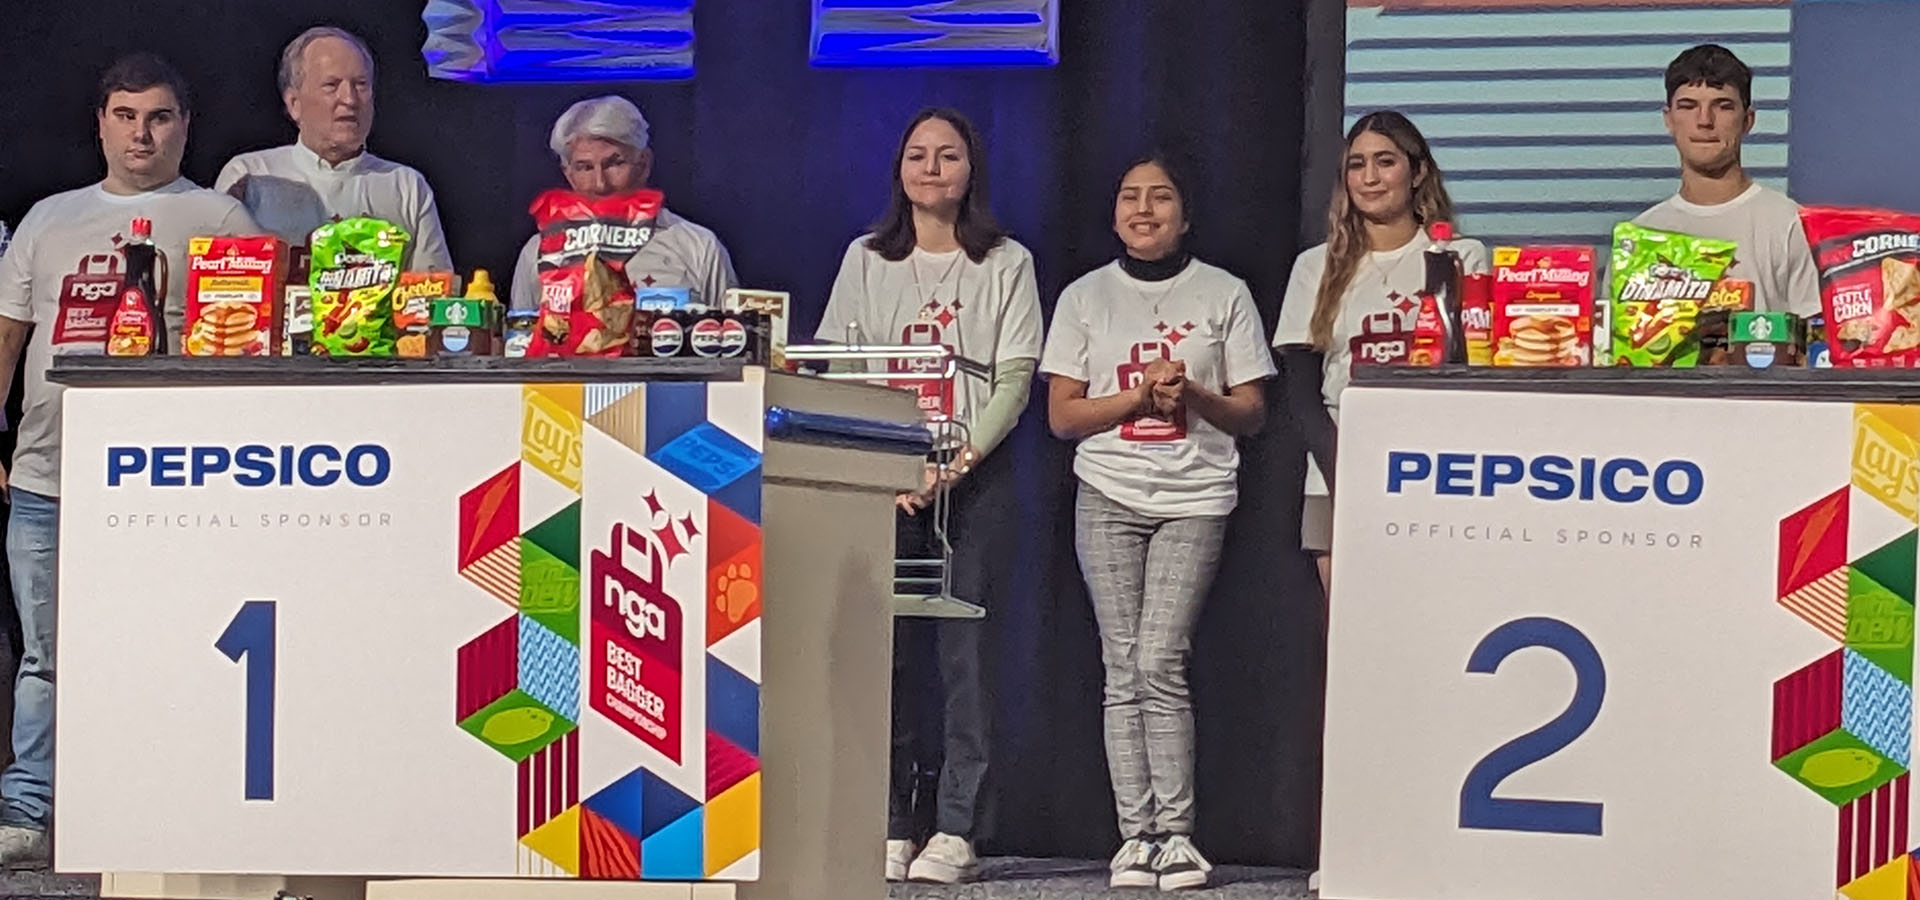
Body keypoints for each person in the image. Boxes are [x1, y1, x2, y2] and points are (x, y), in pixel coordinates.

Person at [0, 53, 259, 867]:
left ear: (185, 126)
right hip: (49, 477)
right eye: (125, 115)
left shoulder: (221, 220)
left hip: (169, 478)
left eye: (158, 117)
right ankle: (30, 809)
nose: (141, 133)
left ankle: (161, 794)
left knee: (169, 639)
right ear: (100, 123)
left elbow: (252, 347)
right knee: (46, 652)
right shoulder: (48, 218)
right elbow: (8, 337)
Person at [815, 107, 1042, 885]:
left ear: (971, 169)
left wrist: (955, 465)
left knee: (964, 656)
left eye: (948, 155)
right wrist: (886, 466)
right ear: (899, 169)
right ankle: (888, 819)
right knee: (885, 656)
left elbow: (1015, 377)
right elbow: (841, 366)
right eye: (917, 154)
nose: (932, 167)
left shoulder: (1006, 261)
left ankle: (956, 826)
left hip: (969, 478)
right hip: (885, 480)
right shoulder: (865, 258)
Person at [1041, 154, 1274, 892]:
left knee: (1159, 659)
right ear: (1114, 214)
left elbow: (1254, 414)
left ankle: (1176, 834)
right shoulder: (1086, 297)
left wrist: (1192, 395)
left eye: (1161, 197)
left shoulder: (1223, 293)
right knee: (1121, 662)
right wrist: (1136, 401)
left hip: (1195, 496)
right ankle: (1132, 837)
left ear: (1185, 212)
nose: (1144, 210)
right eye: (1130, 198)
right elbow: (1063, 416)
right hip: (1109, 492)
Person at [1273, 111, 1487, 597]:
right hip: (1337, 471)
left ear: (1417, 173)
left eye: (1385, 162)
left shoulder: (1462, 255)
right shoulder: (1315, 265)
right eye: (1356, 164)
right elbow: (1302, 391)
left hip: (1434, 467)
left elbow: (1473, 370)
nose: (1369, 178)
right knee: (1349, 633)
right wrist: (1347, 469)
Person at [216, 26, 452, 270]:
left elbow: (435, 293)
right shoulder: (249, 175)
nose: (349, 99)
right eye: (331, 85)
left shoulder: (407, 187)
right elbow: (217, 280)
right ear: (294, 103)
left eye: (360, 84)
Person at [1633, 44, 1819, 317]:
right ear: (1668, 119)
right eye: (1688, 106)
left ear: (1748, 120)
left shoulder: (1790, 223)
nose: (1704, 121)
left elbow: (1815, 345)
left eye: (1722, 106)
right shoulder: (1640, 236)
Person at [509, 96, 737, 312]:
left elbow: (733, 341)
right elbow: (518, 340)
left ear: (644, 163)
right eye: (585, 167)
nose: (600, 184)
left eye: (614, 163)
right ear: (568, 174)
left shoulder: (698, 246)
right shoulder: (538, 252)